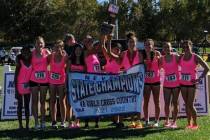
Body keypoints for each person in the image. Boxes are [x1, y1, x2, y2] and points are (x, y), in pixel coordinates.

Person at [180, 40, 209, 130]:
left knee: (190, 104)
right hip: (183, 84)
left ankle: (195, 124)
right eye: (183, 47)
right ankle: (189, 123)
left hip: (192, 84)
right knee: (186, 104)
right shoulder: (181, 57)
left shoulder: (195, 57)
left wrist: (199, 78)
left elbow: (207, 68)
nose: (185, 48)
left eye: (187, 47)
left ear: (191, 46)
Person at [120, 32, 144, 128]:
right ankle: (132, 121)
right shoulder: (123, 54)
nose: (132, 44)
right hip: (127, 81)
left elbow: (142, 68)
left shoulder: (139, 54)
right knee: (130, 101)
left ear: (136, 43)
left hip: (137, 81)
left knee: (137, 101)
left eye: (133, 42)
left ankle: (138, 121)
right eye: (130, 42)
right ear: (127, 43)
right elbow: (119, 65)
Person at [100, 34, 124, 128]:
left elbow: (109, 52)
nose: (117, 50)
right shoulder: (109, 58)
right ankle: (115, 121)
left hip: (117, 83)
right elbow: (102, 47)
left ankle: (120, 121)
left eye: (119, 49)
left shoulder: (119, 59)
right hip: (109, 83)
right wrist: (103, 37)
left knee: (119, 101)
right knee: (112, 102)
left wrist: (109, 40)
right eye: (116, 49)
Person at [30, 36, 50, 130]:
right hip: (33, 79)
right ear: (35, 44)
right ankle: (36, 122)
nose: (40, 44)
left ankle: (43, 121)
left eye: (41, 43)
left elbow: (54, 60)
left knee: (43, 101)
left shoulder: (47, 52)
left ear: (44, 44)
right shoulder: (32, 53)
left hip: (44, 79)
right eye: (38, 43)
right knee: (34, 101)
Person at [48, 40, 69, 129]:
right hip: (52, 81)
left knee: (62, 101)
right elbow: (44, 64)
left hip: (62, 81)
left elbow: (67, 69)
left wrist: (66, 82)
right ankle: (53, 121)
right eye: (55, 47)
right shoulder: (51, 56)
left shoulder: (65, 57)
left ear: (62, 47)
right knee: (52, 101)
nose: (57, 48)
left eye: (59, 47)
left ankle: (63, 122)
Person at [160, 42, 180, 128]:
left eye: (168, 47)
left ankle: (174, 121)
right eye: (165, 47)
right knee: (167, 103)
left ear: (171, 48)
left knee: (175, 103)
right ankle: (167, 120)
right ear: (163, 49)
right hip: (167, 84)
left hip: (176, 84)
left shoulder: (175, 56)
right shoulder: (161, 59)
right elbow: (155, 66)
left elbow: (185, 62)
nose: (167, 49)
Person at [83, 35, 101, 128]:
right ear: (85, 43)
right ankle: (86, 122)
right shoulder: (86, 52)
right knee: (89, 102)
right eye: (87, 41)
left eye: (91, 40)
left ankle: (97, 122)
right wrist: (103, 37)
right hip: (89, 81)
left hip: (97, 81)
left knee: (97, 102)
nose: (89, 42)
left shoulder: (95, 54)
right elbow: (98, 48)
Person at [143, 38, 161, 127]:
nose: (147, 46)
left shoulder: (157, 54)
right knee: (146, 101)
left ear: (152, 46)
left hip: (156, 81)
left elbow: (161, 65)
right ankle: (146, 120)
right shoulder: (142, 55)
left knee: (156, 102)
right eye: (146, 44)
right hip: (146, 82)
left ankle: (156, 121)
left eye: (149, 44)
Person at [14, 46, 32, 130]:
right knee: (20, 106)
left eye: (27, 52)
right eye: (24, 52)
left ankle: (27, 125)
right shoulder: (19, 61)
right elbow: (15, 76)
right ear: (21, 53)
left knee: (27, 106)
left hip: (28, 86)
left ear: (29, 52)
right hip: (20, 86)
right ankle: (20, 125)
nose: (26, 54)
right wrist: (16, 90)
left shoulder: (32, 61)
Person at [68, 44, 85, 128]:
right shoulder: (70, 60)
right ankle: (70, 122)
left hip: (80, 87)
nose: (78, 51)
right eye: (76, 50)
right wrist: (66, 85)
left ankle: (77, 121)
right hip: (71, 86)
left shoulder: (83, 61)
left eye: (80, 50)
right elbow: (67, 73)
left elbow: (85, 75)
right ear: (74, 51)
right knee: (70, 104)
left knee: (78, 104)